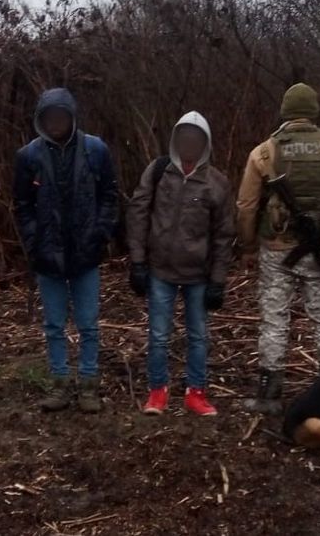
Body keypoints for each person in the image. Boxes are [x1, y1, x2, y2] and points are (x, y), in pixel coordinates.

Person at [236, 83, 320, 414]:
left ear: (284, 112)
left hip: (277, 248)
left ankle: (269, 393)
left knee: (274, 318)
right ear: (315, 111)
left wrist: (247, 247)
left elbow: (247, 206)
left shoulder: (263, 152)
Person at [14, 88, 119, 413]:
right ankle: (59, 385)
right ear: (41, 120)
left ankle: (88, 386)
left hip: (86, 253)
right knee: (54, 326)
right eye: (49, 117)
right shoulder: (28, 156)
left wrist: (100, 234)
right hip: (48, 256)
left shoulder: (95, 149)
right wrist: (34, 242)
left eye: (61, 116)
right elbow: (22, 205)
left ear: (72, 116)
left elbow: (110, 195)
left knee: (88, 324)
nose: (56, 122)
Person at [127, 112, 235, 416]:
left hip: (198, 275)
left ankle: (196, 393)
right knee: (159, 335)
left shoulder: (216, 183)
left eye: (195, 139)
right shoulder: (159, 171)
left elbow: (224, 235)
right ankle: (157, 392)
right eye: (184, 138)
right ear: (176, 140)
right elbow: (138, 213)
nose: (189, 144)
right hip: (160, 269)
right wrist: (137, 262)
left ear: (205, 143)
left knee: (198, 336)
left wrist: (218, 280)